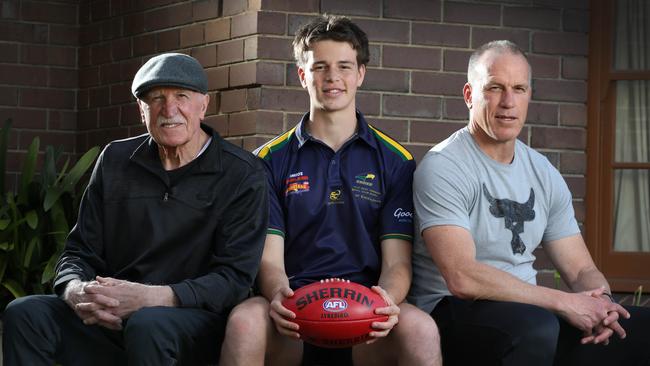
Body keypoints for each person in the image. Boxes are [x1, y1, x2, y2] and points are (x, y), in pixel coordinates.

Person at [2, 53, 268, 365]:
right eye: (156, 99)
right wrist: (77, 290)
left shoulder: (242, 173)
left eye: (181, 96)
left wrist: (152, 298)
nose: (169, 110)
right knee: (25, 314)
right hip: (113, 316)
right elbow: (79, 252)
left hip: (192, 321)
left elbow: (233, 279)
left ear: (203, 105)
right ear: (141, 111)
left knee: (148, 323)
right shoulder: (115, 160)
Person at [408, 39, 650, 366]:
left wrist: (603, 305)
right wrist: (562, 302)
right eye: (495, 88)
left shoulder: (542, 171)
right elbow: (462, 277)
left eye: (519, 89)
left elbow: (581, 268)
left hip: (530, 311)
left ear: (529, 96)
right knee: (537, 328)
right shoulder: (443, 166)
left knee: (635, 329)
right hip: (452, 312)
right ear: (469, 95)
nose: (508, 101)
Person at [219, 15, 441, 366]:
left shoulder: (396, 160)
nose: (332, 77)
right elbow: (269, 258)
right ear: (302, 75)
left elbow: (397, 262)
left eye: (344, 66)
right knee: (245, 321)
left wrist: (386, 300)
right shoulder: (267, 160)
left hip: (364, 317)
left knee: (421, 329)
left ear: (361, 74)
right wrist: (280, 296)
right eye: (319, 66)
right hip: (292, 317)